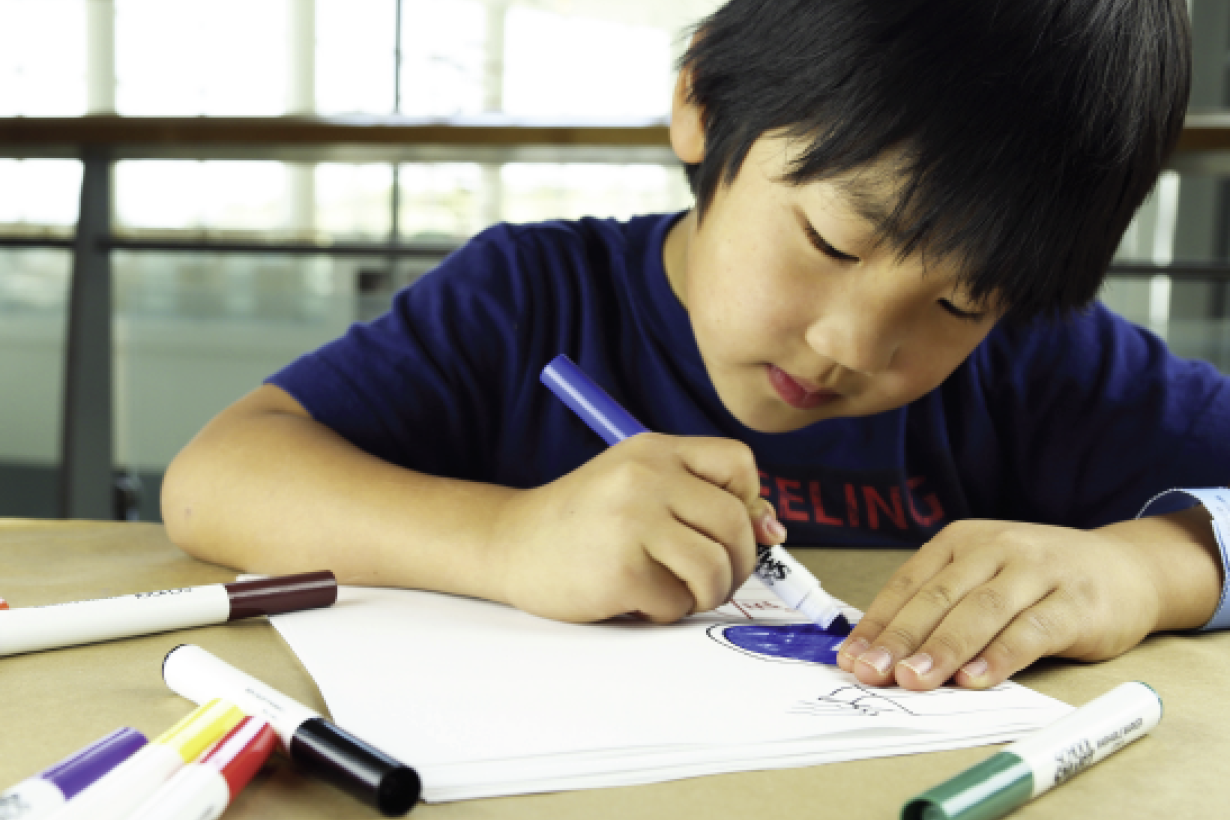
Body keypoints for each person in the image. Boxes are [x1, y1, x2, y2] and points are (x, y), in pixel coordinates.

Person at [163, 0, 1227, 693]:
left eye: (963, 303)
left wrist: (1148, 569)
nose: (851, 341)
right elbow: (216, 481)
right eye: (831, 239)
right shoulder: (529, 299)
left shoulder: (1047, 366)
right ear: (703, 105)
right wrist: (507, 540)